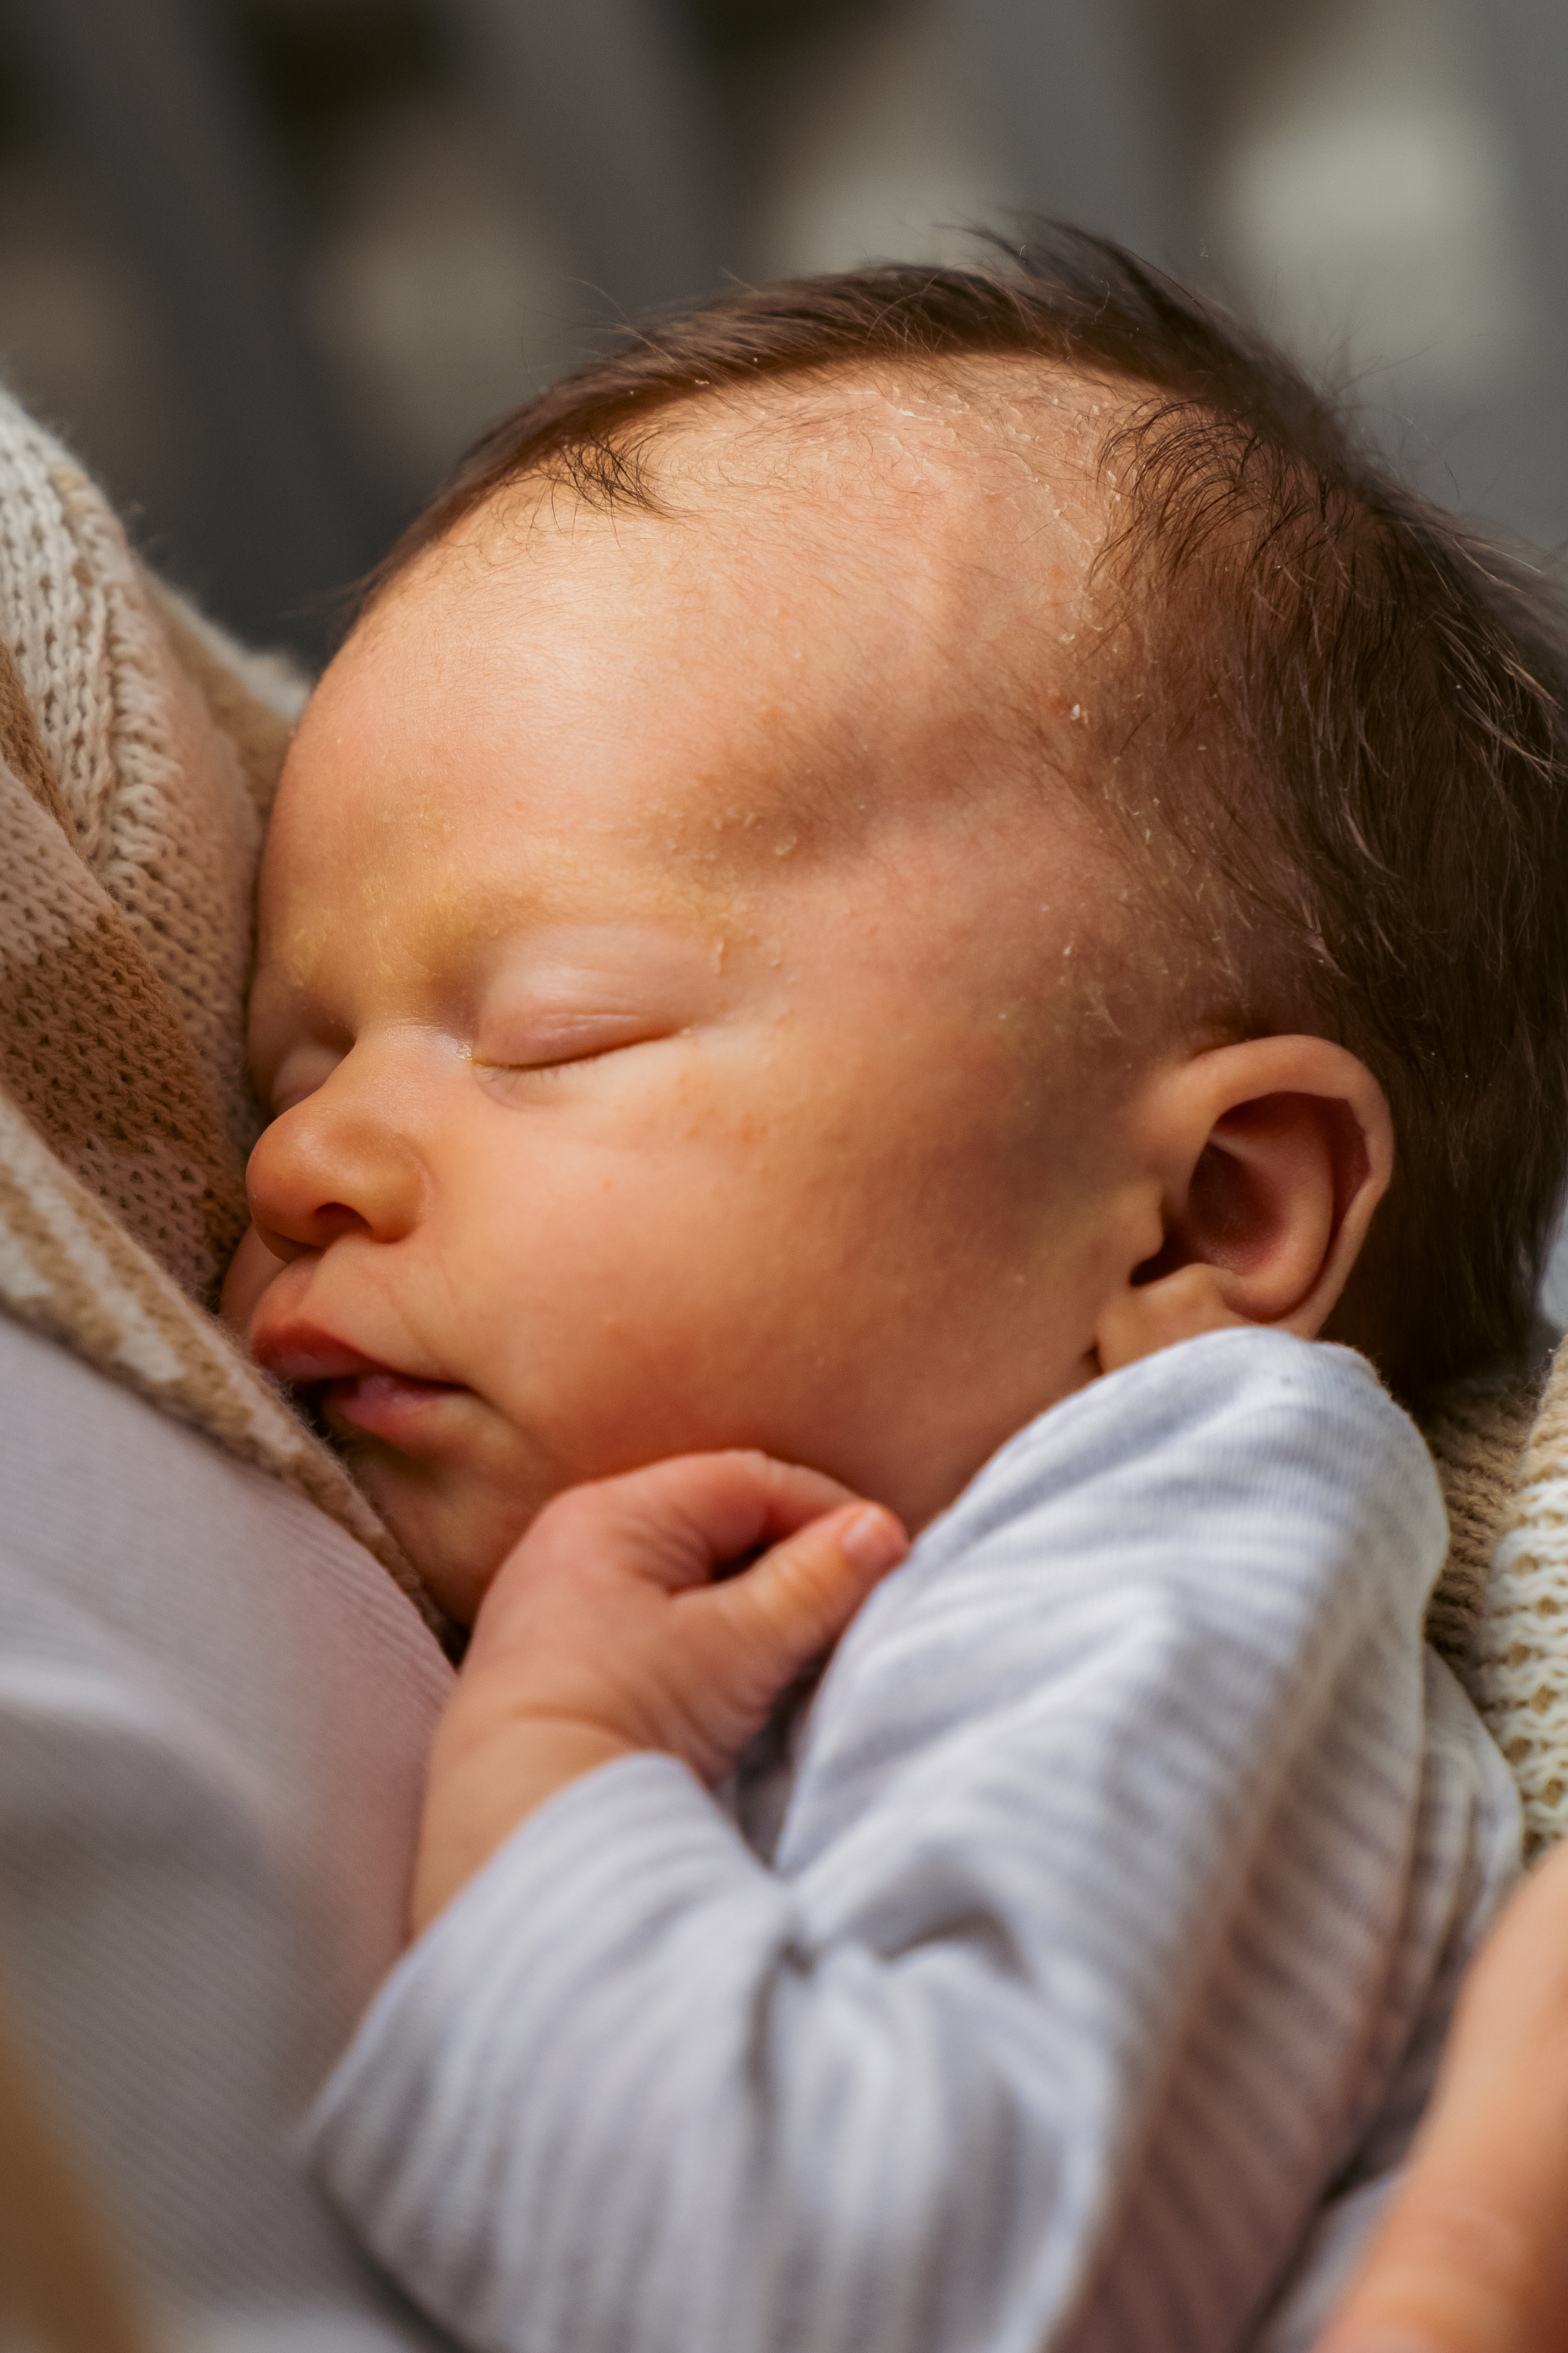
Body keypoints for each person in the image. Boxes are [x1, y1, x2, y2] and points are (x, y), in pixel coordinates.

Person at [213, 237, 1568, 2351]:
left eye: (553, 1029)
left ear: (1204, 1219)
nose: (299, 1165)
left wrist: (553, 1772)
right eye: (295, 1064)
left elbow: (857, 2284)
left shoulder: (1180, 1529)